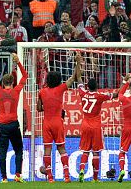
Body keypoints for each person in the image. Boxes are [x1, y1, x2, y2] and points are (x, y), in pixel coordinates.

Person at [38, 53, 82, 183]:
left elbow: (39, 108)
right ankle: (67, 176)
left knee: (47, 150)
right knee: (61, 149)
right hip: (58, 122)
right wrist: (77, 62)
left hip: (46, 123)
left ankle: (50, 178)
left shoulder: (42, 91)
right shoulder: (61, 88)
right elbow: (74, 78)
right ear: (58, 80)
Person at [0, 51, 28, 183]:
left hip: (2, 125)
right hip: (13, 124)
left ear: (3, 82)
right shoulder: (16, 91)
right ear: (12, 82)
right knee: (18, 150)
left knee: (2, 152)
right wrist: (18, 62)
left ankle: (4, 178)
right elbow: (25, 76)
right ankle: (17, 175)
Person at [77, 65, 117, 183]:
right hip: (96, 126)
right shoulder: (100, 96)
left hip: (85, 125)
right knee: (96, 152)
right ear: (97, 87)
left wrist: (78, 63)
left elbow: (78, 78)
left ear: (87, 86)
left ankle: (82, 170)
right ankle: (95, 178)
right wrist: (124, 83)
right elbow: (115, 95)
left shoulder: (83, 93)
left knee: (85, 151)